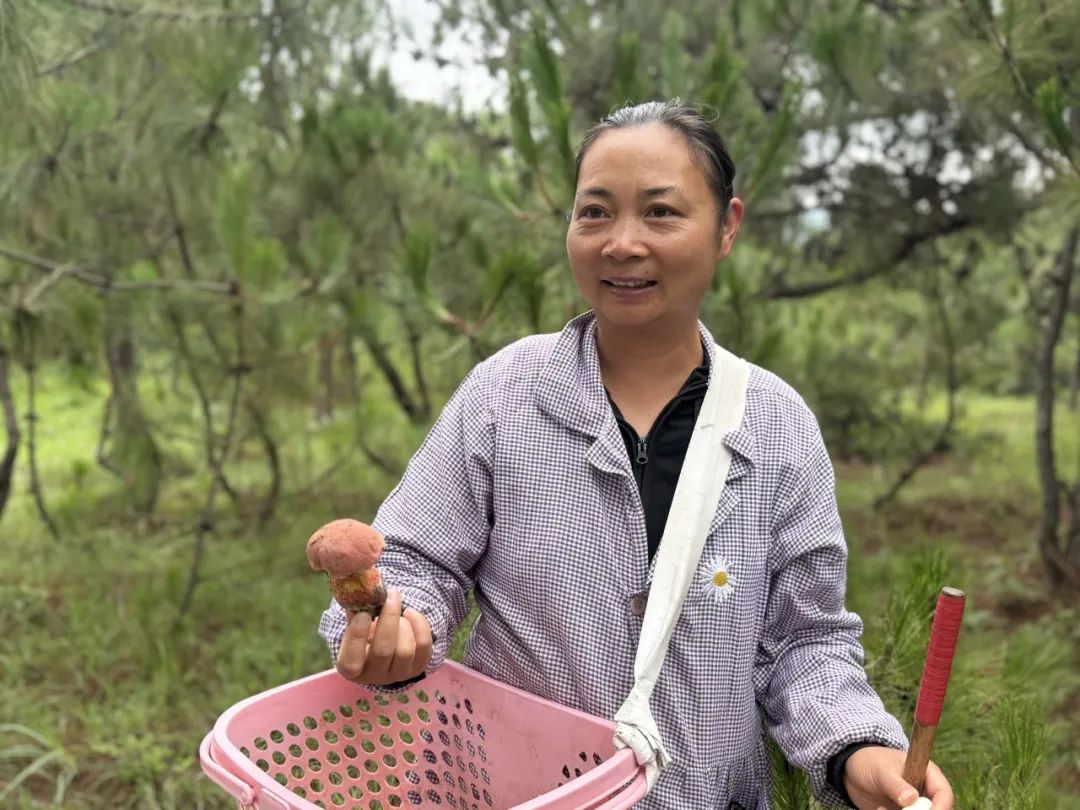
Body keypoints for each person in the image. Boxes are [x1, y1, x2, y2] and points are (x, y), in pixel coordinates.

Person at [319, 101, 954, 810]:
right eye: (595, 213)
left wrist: (860, 751)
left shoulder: (776, 428)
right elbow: (415, 562)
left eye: (660, 213)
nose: (621, 243)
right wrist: (397, 629)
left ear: (727, 227)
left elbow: (804, 642)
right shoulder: (506, 396)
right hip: (509, 792)